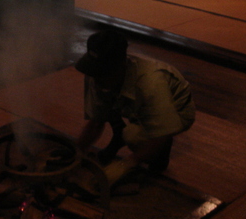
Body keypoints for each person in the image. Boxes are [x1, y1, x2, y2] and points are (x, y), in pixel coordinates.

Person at [75, 29, 195, 176]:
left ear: (120, 67)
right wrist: (77, 153)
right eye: (96, 72)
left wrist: (125, 165)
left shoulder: (150, 83)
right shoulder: (96, 75)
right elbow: (96, 121)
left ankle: (159, 155)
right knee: (106, 98)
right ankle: (118, 135)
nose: (96, 79)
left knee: (132, 135)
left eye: (103, 73)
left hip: (176, 111)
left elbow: (161, 135)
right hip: (136, 106)